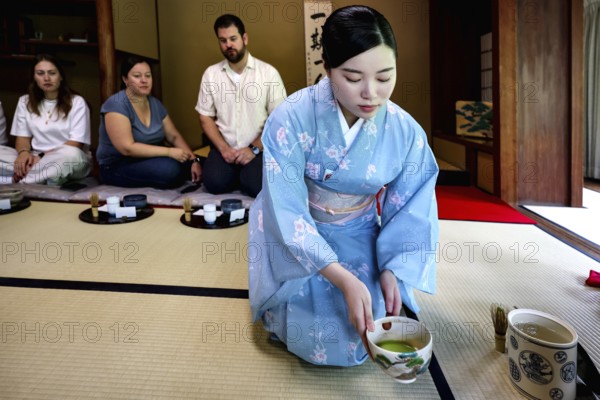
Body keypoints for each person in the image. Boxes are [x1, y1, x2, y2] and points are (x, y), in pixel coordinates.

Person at [248, 6, 439, 367]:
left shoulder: (404, 130)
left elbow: (413, 205)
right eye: (353, 78)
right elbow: (283, 207)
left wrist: (392, 267)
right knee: (322, 334)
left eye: (385, 77)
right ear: (327, 69)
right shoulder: (290, 117)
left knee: (375, 317)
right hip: (300, 231)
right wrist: (343, 279)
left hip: (360, 228)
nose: (371, 93)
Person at [196, 14, 286, 197]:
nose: (228, 45)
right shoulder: (211, 74)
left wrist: (253, 149)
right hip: (224, 149)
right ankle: (233, 173)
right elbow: (205, 116)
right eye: (223, 40)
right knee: (214, 183)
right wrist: (223, 149)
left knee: (255, 186)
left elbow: (280, 119)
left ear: (244, 38)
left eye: (233, 39)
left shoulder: (268, 73)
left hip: (258, 149)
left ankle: (245, 174)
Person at [97, 56, 201, 189]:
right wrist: (169, 152)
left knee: (199, 163)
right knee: (170, 169)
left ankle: (184, 172)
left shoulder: (155, 104)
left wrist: (193, 160)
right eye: (137, 76)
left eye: (148, 75)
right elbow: (127, 148)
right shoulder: (116, 104)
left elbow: (173, 136)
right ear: (125, 79)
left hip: (149, 160)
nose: (144, 80)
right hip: (116, 165)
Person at [0, 54, 92, 184]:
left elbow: (76, 143)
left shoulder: (77, 102)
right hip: (34, 158)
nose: (47, 78)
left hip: (66, 158)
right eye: (40, 73)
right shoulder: (25, 101)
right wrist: (23, 154)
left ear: (61, 77)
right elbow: (22, 138)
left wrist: (41, 157)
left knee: (70, 155)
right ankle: (36, 176)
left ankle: (20, 181)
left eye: (52, 73)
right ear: (34, 77)